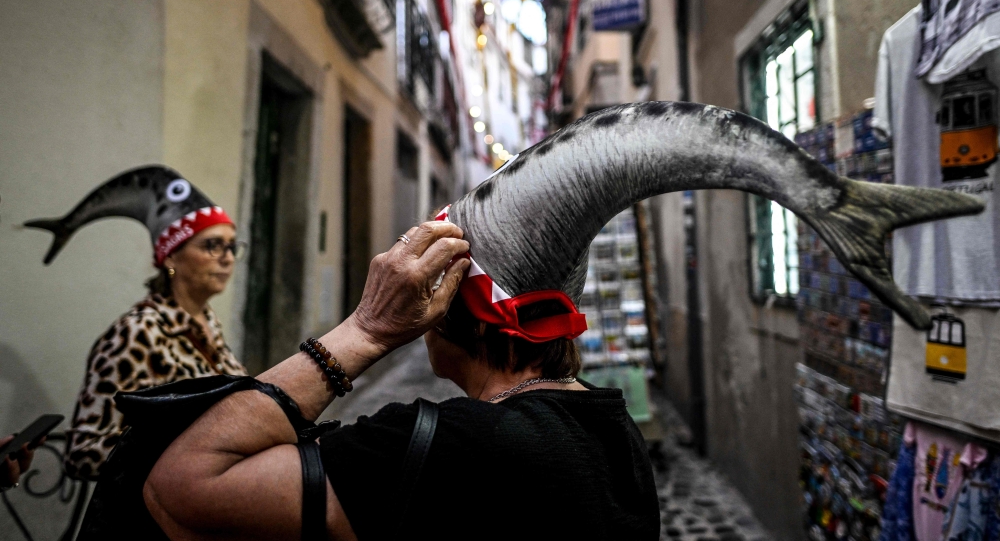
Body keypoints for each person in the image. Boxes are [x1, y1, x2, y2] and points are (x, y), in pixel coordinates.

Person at [143, 221, 660, 540]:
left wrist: (366, 330)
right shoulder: (609, 423)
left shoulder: (450, 445)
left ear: (470, 321)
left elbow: (182, 487)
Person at [25, 166, 247, 480]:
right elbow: (83, 453)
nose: (227, 258)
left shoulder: (209, 324)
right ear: (171, 257)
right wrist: (191, 448)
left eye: (231, 246)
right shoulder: (138, 332)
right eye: (212, 245)